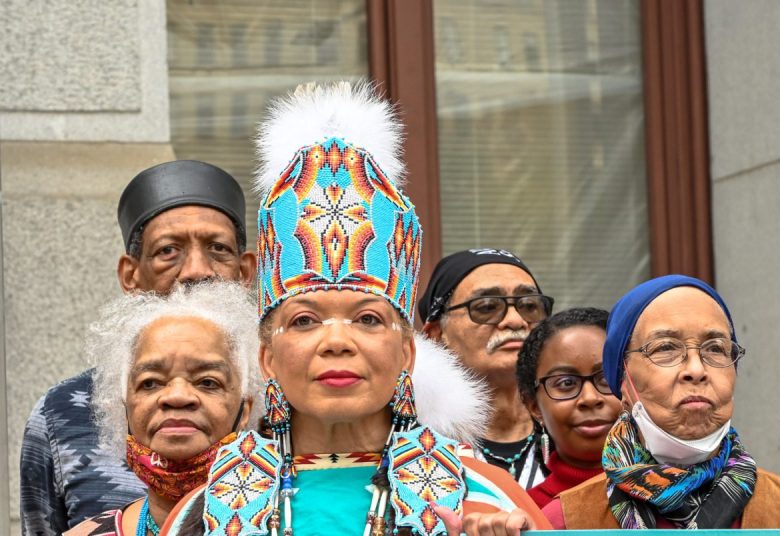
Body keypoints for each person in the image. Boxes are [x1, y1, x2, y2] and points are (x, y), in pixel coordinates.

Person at [162, 81, 550, 535]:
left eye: (367, 318)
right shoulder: (204, 512)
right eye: (304, 320)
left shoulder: (487, 502)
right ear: (267, 358)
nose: (337, 341)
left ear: (407, 352)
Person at [20, 160, 257, 535]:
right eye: (168, 250)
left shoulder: (288, 407)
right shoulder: (61, 412)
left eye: (217, 248)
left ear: (245, 272)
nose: (197, 270)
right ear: (131, 274)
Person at [543, 275, 780, 529]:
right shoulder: (565, 521)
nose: (697, 370)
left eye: (715, 348)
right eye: (666, 348)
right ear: (623, 378)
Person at [64, 282, 261, 535]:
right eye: (151, 383)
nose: (177, 396)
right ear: (124, 406)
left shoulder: (289, 521)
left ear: (245, 409)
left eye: (208, 382)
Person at [418, 249, 552, 488]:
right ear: (435, 335)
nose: (515, 321)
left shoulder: (576, 425)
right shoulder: (414, 441)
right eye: (487, 306)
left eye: (529, 305)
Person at [516, 307, 622, 507]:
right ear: (533, 404)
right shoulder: (523, 516)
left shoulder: (679, 497)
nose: (590, 398)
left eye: (606, 378)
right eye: (565, 383)